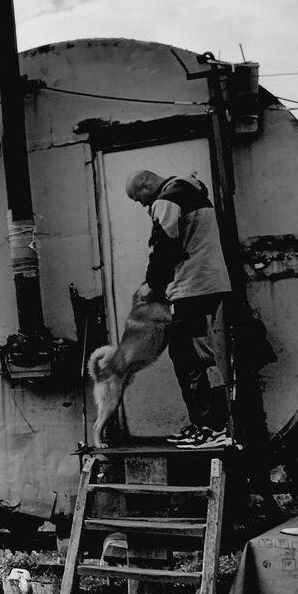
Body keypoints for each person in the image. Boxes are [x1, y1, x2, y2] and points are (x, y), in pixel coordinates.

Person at [125, 169, 232, 449]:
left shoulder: (167, 199)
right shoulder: (190, 193)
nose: (143, 205)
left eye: (139, 198)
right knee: (195, 355)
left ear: (146, 185)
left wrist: (152, 285)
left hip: (193, 287)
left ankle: (212, 428)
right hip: (204, 284)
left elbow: (164, 246)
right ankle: (207, 426)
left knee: (192, 357)